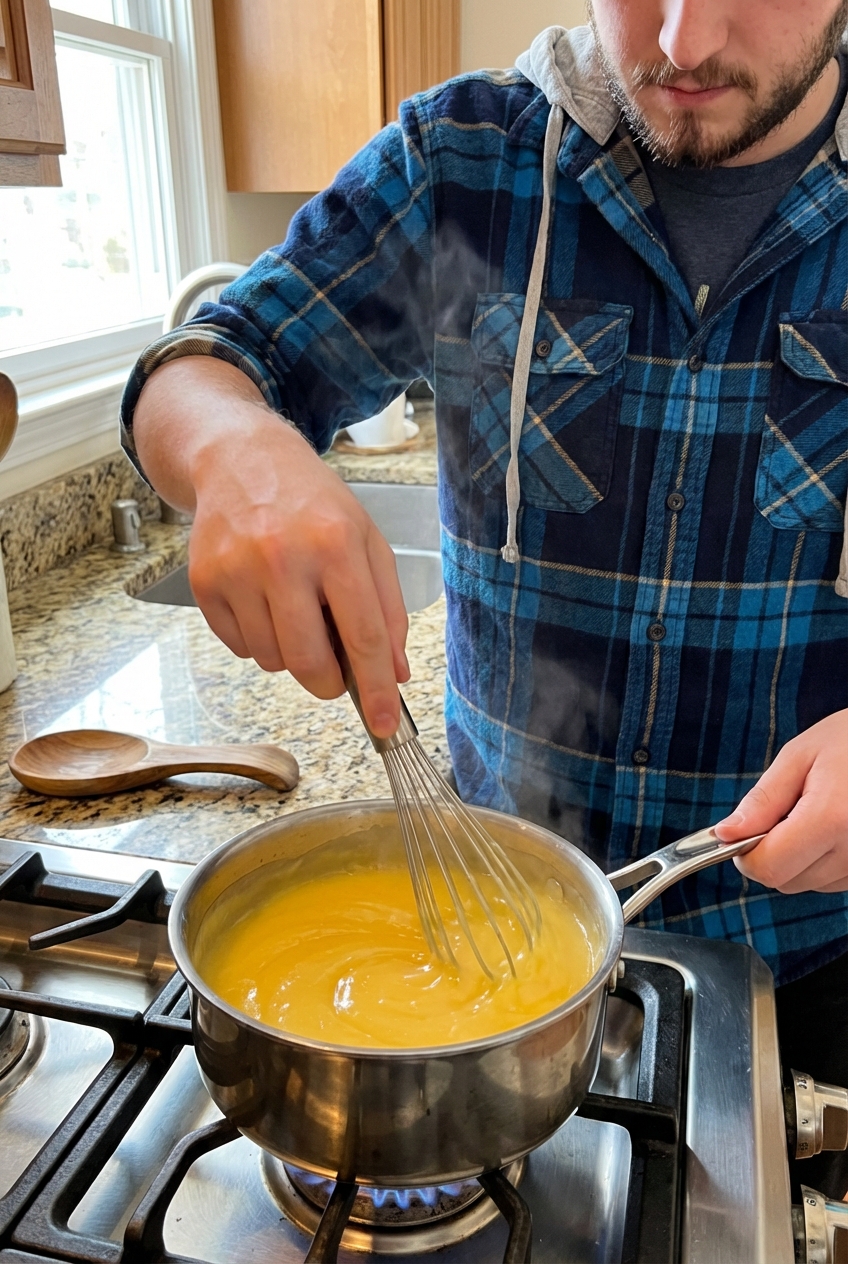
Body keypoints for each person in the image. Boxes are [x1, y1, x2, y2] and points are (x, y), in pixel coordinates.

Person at [122, 1, 848, 1196]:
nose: (678, 39)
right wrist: (230, 448)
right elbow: (201, 366)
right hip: (473, 924)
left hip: (802, 965)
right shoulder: (460, 163)